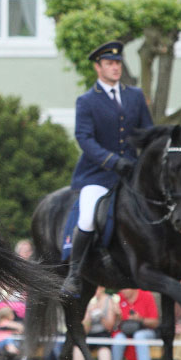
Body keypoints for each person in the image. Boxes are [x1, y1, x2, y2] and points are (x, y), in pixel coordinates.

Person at [61, 41, 156, 296]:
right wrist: (113, 161)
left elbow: (146, 131)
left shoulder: (135, 96)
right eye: (109, 64)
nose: (115, 67)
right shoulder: (87, 101)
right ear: (98, 67)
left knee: (163, 203)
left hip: (132, 174)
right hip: (98, 174)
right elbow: (84, 139)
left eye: (117, 63)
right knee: (89, 215)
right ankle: (74, 274)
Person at [110, 288, 158, 360]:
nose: (122, 291)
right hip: (125, 332)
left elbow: (155, 323)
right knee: (118, 338)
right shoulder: (119, 298)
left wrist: (140, 319)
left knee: (139, 336)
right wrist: (118, 315)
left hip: (146, 330)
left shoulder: (147, 295)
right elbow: (113, 326)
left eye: (125, 288)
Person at [73, 285, 116, 360]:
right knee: (78, 347)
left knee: (104, 349)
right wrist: (88, 315)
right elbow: (84, 329)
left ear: (103, 288)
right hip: (88, 334)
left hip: (103, 333)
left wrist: (101, 316)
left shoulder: (109, 301)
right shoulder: (86, 301)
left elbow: (109, 327)